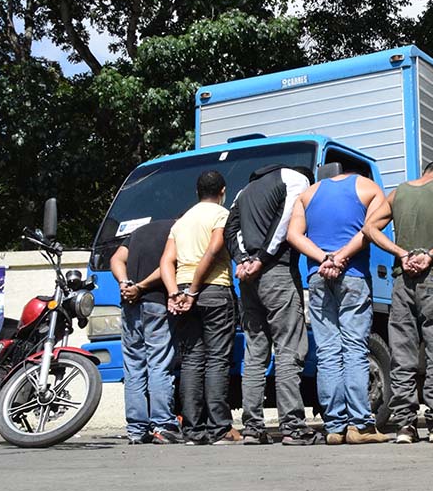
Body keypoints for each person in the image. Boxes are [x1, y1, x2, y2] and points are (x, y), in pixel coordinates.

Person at [363, 161, 433, 443]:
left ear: (425, 174)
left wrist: (401, 253)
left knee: (402, 356)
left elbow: (369, 228)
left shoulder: (399, 193)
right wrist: (431, 254)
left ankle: (405, 427)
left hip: (402, 283)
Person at [287, 165, 389, 445]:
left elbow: (294, 236)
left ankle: (334, 427)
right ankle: (360, 425)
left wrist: (324, 258)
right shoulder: (368, 188)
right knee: (355, 348)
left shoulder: (307, 195)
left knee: (328, 351)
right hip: (353, 276)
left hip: (318, 278)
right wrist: (342, 256)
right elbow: (371, 230)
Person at [225, 165, 315, 445]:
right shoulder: (295, 179)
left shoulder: (243, 191)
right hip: (276, 271)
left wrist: (243, 260)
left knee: (255, 351)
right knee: (289, 348)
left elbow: (231, 229)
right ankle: (293, 427)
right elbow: (286, 221)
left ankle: (252, 427)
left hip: (248, 279)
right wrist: (262, 258)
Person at [160, 170, 239, 446]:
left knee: (192, 360)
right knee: (217, 359)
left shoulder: (181, 222)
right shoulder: (221, 214)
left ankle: (193, 431)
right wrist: (194, 289)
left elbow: (166, 261)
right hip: (214, 290)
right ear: (223, 191)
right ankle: (219, 430)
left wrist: (175, 293)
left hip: (182, 291)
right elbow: (214, 250)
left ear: (197, 192)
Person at [111, 219, 180, 445]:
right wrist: (141, 286)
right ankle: (163, 424)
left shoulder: (139, 231)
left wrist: (125, 284)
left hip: (130, 307)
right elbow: (166, 265)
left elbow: (116, 259)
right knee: (159, 364)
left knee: (133, 367)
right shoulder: (177, 231)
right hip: (156, 303)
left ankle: (136, 429)